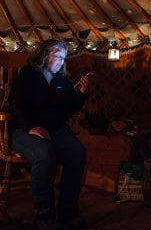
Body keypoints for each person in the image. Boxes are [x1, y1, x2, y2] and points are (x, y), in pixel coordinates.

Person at [10, 39, 91, 230]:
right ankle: (44, 216)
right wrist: (30, 127)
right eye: (59, 56)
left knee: (77, 153)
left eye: (64, 57)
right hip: (23, 129)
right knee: (45, 155)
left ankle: (68, 213)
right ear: (46, 54)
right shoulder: (28, 74)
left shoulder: (61, 80)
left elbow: (72, 107)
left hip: (54, 129)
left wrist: (80, 93)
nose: (62, 61)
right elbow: (18, 104)